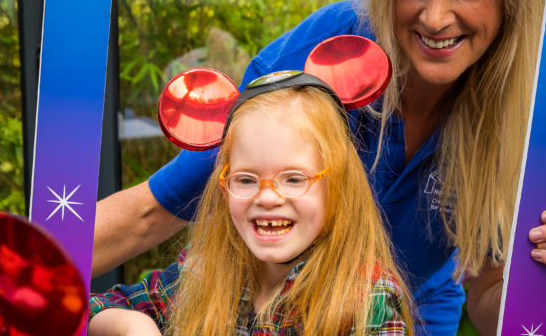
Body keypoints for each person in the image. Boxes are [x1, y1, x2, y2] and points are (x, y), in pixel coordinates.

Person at [93, 0, 546, 334]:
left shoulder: (526, 109)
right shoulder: (332, 51)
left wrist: (540, 276)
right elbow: (153, 212)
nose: (435, 16)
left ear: (512, 2)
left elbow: (492, 296)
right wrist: (23, 277)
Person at [88, 76, 413, 335]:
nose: (268, 198)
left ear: (338, 186)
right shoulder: (201, 275)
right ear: (224, 188)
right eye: (245, 180)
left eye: (294, 179)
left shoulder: (367, 300)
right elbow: (77, 309)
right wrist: (130, 324)